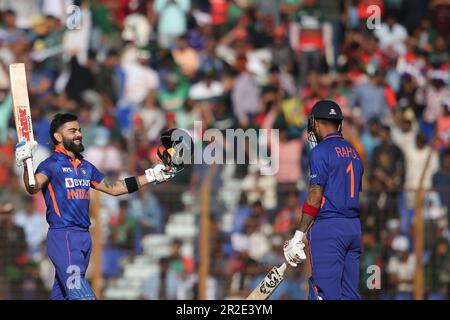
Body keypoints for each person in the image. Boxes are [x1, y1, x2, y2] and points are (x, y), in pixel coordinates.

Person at [14, 113, 173, 300]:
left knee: (63, 295)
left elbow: (115, 188)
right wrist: (26, 164)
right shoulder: (50, 165)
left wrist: (153, 175)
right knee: (82, 295)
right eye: (72, 131)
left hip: (83, 237)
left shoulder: (86, 167)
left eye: (79, 130)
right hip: (64, 235)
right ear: (58, 137)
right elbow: (32, 187)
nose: (78, 134)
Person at [283, 100, 364, 300]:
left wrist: (298, 235)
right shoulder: (355, 153)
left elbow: (315, 196)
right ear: (339, 124)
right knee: (350, 296)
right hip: (353, 228)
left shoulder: (319, 152)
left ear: (316, 123)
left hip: (329, 230)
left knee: (325, 295)